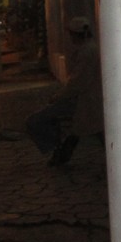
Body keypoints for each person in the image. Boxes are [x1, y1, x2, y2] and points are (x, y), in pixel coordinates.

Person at [25, 15, 103, 165]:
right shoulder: (90, 49)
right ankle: (62, 149)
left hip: (83, 100)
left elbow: (77, 83)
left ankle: (56, 147)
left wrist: (58, 96)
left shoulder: (87, 52)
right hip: (86, 99)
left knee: (35, 121)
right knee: (89, 130)